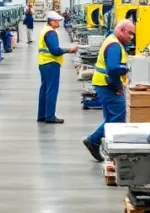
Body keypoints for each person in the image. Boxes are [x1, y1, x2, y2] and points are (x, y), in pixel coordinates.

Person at [83, 19, 135, 161]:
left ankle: (95, 142)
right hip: (108, 85)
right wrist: (123, 75)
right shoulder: (114, 46)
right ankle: (105, 148)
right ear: (121, 30)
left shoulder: (112, 40)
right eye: (130, 33)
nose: (131, 37)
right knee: (118, 119)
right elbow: (112, 69)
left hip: (103, 84)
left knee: (110, 118)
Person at [37, 11, 78, 124]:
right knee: (52, 89)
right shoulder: (51, 33)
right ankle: (50, 115)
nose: (59, 23)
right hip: (51, 63)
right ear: (52, 21)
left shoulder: (45, 30)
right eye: (57, 21)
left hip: (43, 62)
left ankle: (42, 114)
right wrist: (69, 50)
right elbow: (55, 51)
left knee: (44, 89)